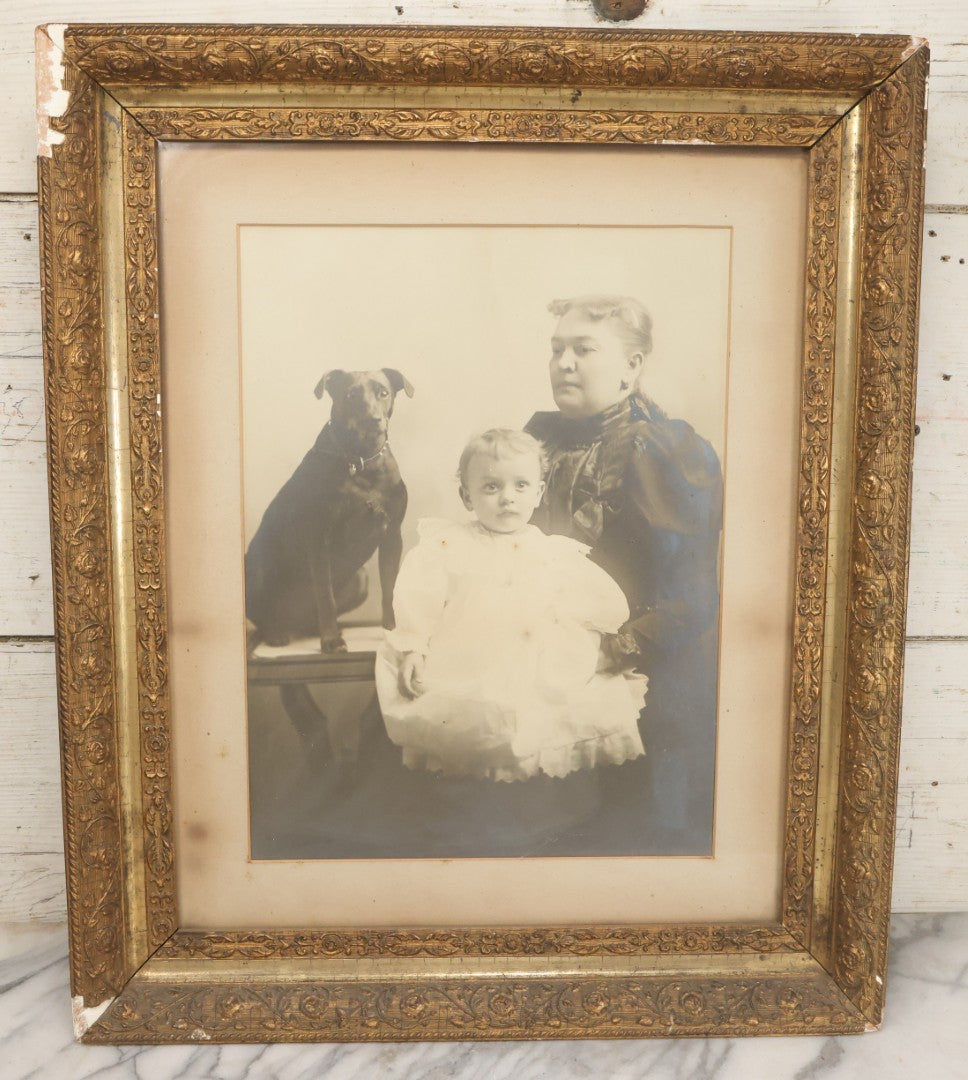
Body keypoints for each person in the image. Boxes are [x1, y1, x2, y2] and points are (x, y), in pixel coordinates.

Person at [525, 296, 723, 846]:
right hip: (549, 661)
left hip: (645, 676)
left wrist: (613, 650)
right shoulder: (536, 441)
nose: (564, 363)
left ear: (632, 366)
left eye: (583, 349)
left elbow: (691, 594)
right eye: (556, 349)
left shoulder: (664, 450)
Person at [375, 428, 648, 782]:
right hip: (469, 656)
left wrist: (596, 636)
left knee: (547, 714)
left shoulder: (551, 551)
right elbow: (419, 598)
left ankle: (532, 788)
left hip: (536, 658)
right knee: (474, 717)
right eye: (491, 487)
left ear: (538, 493)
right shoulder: (446, 546)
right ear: (467, 496)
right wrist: (414, 646)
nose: (507, 498)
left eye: (520, 486)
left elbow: (594, 600)